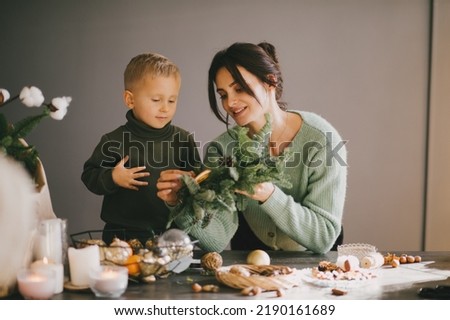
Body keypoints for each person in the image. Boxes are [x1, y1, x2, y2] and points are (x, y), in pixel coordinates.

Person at [157, 42, 347, 254]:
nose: (230, 103)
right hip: (250, 262)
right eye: (223, 94)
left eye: (239, 88)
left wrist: (269, 194)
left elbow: (324, 236)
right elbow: (217, 240)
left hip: (316, 267)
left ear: (270, 82)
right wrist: (180, 203)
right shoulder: (222, 150)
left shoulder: (322, 140)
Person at [81, 52, 201, 244]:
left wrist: (190, 181)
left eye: (172, 100)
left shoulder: (183, 139)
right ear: (130, 100)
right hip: (122, 235)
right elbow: (89, 176)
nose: (165, 108)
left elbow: (199, 179)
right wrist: (113, 177)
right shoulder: (114, 140)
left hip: (171, 235)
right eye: (156, 100)